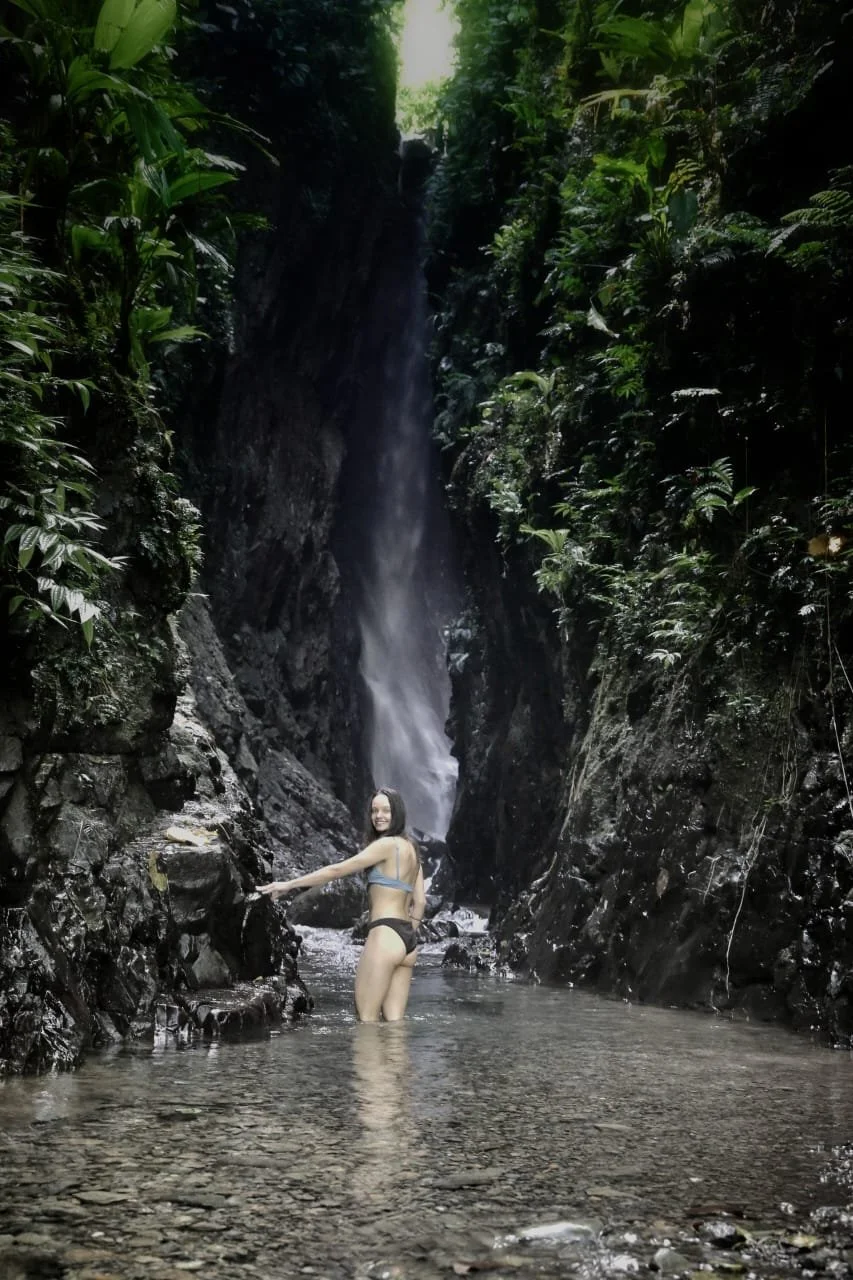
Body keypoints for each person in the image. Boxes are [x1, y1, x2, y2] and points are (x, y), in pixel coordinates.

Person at [256, 787, 426, 1022]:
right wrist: (408, 934)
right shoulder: (413, 850)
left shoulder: (386, 845)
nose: (379, 816)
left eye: (386, 810)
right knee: (395, 1024)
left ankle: (368, 1060)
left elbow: (337, 870)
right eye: (374, 811)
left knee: (366, 1020)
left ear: (397, 813)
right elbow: (420, 901)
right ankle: (397, 1060)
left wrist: (288, 885)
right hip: (407, 943)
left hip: (385, 935)